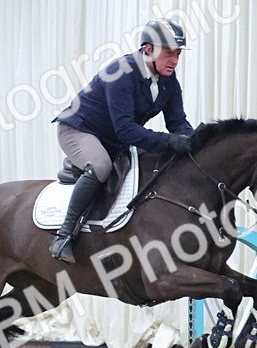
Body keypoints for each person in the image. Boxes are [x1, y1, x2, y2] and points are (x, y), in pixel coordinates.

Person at [49, 18, 197, 264]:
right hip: (78, 129)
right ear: (148, 49)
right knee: (101, 166)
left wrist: (196, 142)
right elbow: (127, 131)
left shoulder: (169, 82)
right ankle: (64, 236)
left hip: (113, 139)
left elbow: (178, 123)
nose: (174, 60)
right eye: (169, 53)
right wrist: (172, 142)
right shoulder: (120, 73)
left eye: (178, 54)